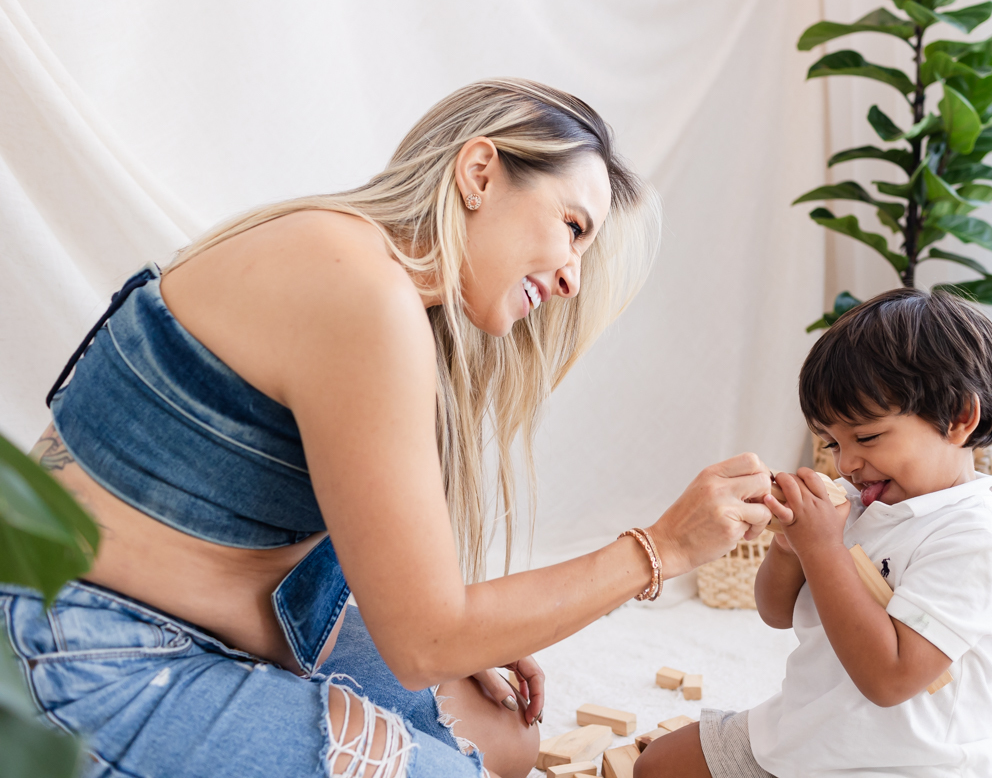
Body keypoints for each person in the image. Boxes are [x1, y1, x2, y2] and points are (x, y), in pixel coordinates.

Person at [1, 79, 777, 778]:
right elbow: (426, 642)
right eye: (573, 225)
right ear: (480, 174)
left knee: (505, 741)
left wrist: (461, 625)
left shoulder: (354, 259)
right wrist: (662, 547)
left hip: (217, 606)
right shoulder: (362, 293)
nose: (575, 275)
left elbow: (369, 574)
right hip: (80, 649)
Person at [636, 288, 992, 778]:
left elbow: (889, 679)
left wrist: (821, 547)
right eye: (832, 442)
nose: (847, 463)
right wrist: (789, 543)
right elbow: (775, 612)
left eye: (865, 437)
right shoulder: (859, 499)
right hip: (802, 736)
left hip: (906, 765)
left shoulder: (972, 540)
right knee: (658, 765)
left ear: (958, 419)